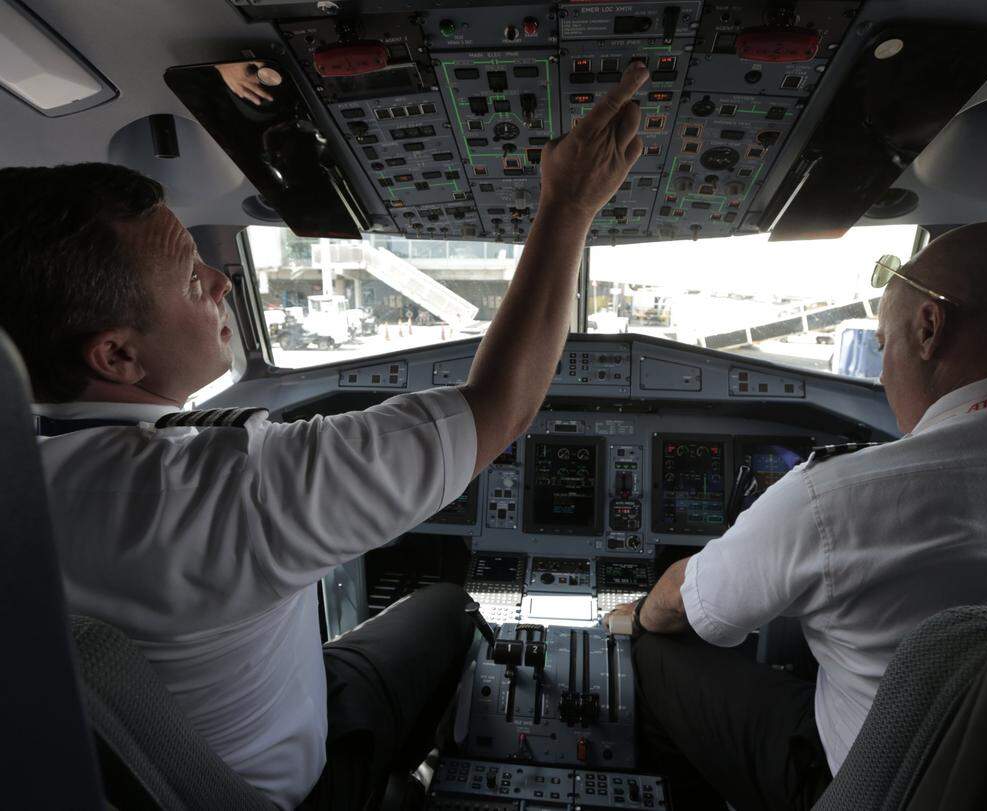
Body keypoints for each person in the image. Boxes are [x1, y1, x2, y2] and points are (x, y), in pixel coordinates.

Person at [0, 63, 649, 809]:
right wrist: (568, 204)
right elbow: (499, 406)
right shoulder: (221, 487)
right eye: (189, 280)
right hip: (291, 789)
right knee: (447, 605)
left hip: (161, 773)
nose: (221, 282)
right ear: (116, 355)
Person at [605, 222, 987, 811]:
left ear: (928, 328)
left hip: (866, 789)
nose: (883, 373)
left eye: (884, 344)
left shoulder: (841, 497)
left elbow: (685, 602)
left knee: (656, 653)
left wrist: (637, 617)